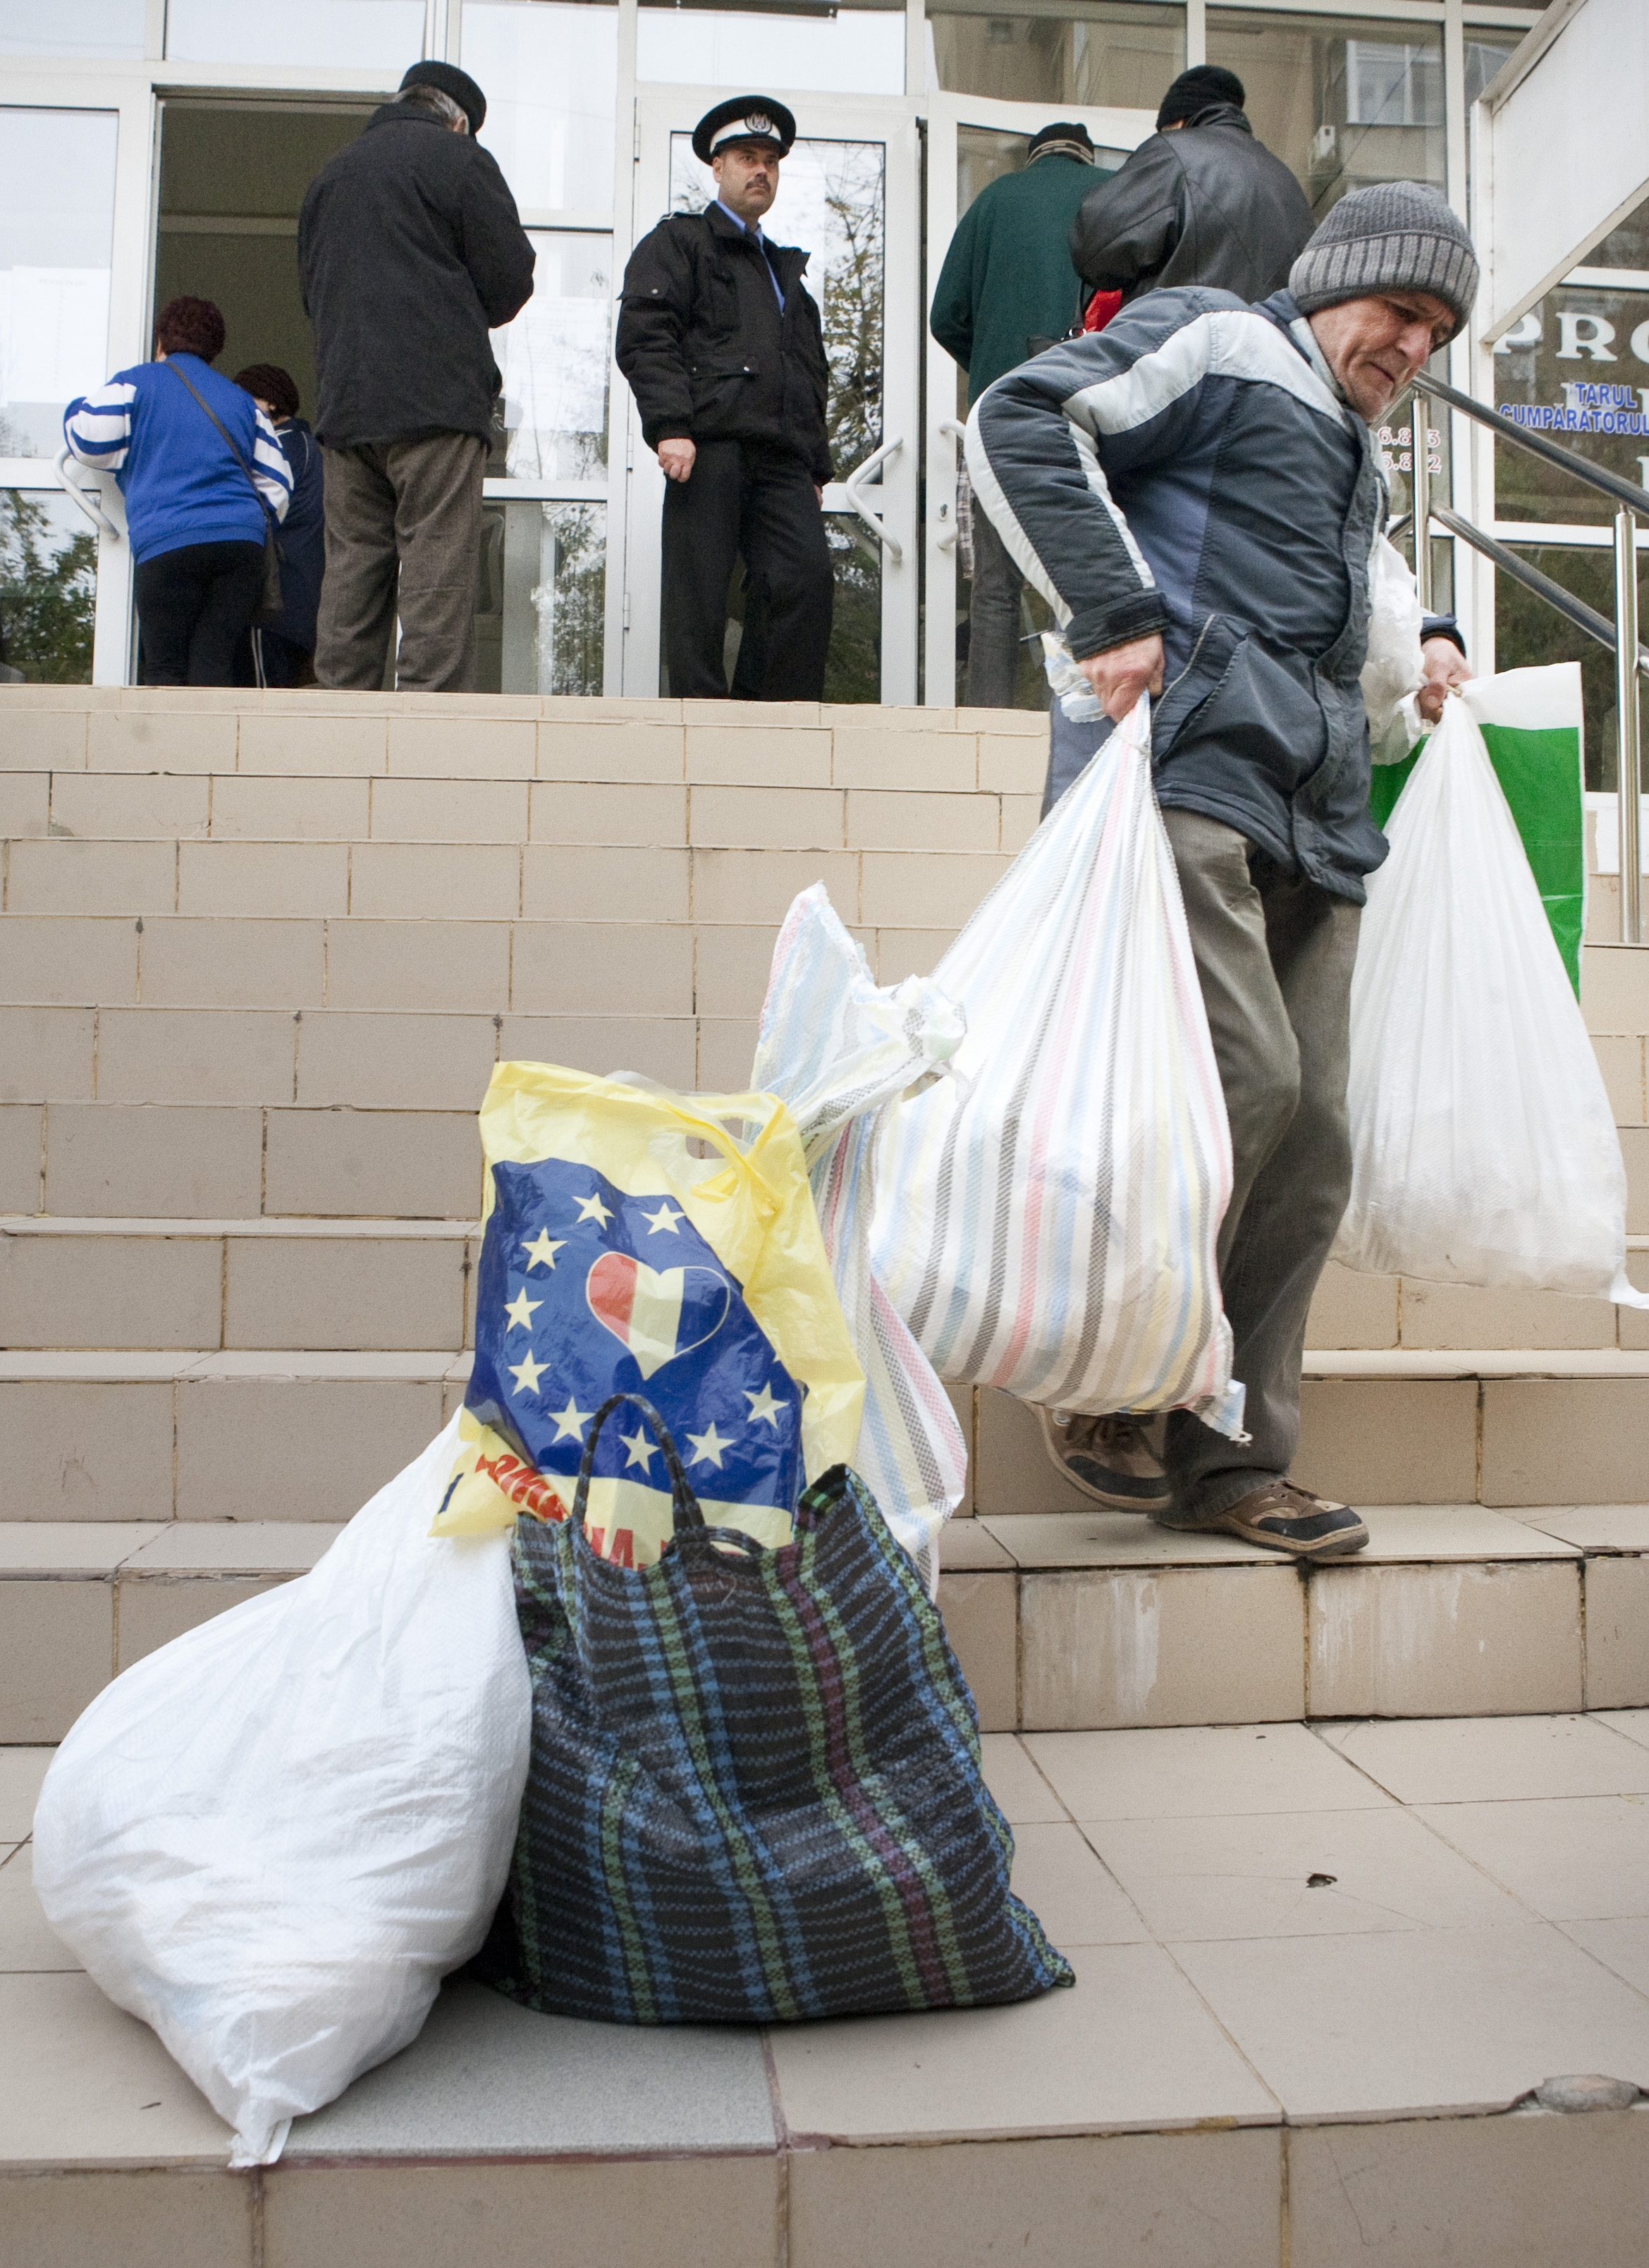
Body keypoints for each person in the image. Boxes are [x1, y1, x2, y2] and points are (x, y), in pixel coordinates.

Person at [967, 181, 1480, 1559]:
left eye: (1436, 331)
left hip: (1313, 809)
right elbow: (1017, 417)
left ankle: (1232, 1455)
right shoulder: (1214, 338)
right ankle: (1098, 1378)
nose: (1412, 347)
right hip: (1179, 770)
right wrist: (1110, 609)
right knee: (1235, 1079)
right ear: (1330, 282)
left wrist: (1421, 635)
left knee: (1310, 1138)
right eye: (1397, 311)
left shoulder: (1352, 445)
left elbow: (1345, 569)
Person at [297, 61, 534, 693]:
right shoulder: (459, 160)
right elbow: (510, 281)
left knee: (350, 583)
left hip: (347, 413)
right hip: (435, 409)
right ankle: (428, 748)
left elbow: (312, 295)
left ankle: (340, 743)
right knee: (435, 584)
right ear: (458, 121)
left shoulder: (328, 178)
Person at [615, 97, 833, 702]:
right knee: (700, 594)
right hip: (706, 444)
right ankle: (700, 721)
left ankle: (774, 720)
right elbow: (646, 334)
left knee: (804, 579)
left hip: (782, 457)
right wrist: (670, 425)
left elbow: (807, 367)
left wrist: (815, 460)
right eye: (745, 158)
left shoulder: (784, 271)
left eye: (770, 161)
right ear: (717, 168)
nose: (759, 170)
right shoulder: (680, 243)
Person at [930, 123, 1110, 709]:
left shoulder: (992, 202)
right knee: (1099, 574)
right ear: (1086, 155)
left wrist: (989, 366)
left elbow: (945, 315)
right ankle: (1094, 715)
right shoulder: (1115, 193)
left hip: (1002, 417)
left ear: (1034, 158)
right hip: (1095, 410)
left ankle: (990, 717)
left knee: (995, 588)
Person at [63, 295, 292, 687]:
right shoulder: (241, 401)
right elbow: (278, 484)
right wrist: (244, 522)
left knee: (165, 668)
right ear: (215, 350)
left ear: (160, 343)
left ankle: (170, 750)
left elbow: (88, 440)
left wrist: (72, 409)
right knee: (213, 666)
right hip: (238, 549)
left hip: (167, 543)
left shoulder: (135, 383)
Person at [1069, 68, 1314, 315]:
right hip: (1269, 349)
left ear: (1177, 121)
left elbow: (1094, 248)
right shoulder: (1286, 180)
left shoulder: (1173, 153)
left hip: (1184, 343)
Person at [231, 364, 324, 687]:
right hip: (303, 603)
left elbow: (256, 512)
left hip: (274, 603)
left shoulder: (280, 448)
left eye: (244, 400)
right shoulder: (309, 446)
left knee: (261, 705)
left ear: (270, 402)